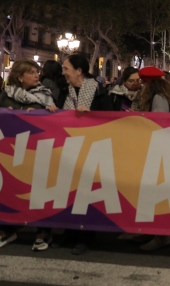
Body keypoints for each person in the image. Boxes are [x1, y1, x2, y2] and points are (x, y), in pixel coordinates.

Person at [0, 59, 57, 250]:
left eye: (37, 72)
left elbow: (57, 121)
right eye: (32, 72)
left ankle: (43, 231)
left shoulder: (46, 95)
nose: (37, 75)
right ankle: (7, 229)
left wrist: (45, 113)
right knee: (9, 190)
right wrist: (3, 112)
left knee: (39, 191)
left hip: (37, 152)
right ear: (19, 77)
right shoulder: (6, 94)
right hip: (10, 151)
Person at [60, 54, 112, 255]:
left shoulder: (98, 91)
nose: (63, 72)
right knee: (69, 192)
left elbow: (108, 117)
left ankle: (85, 236)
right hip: (69, 148)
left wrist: (90, 115)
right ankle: (69, 232)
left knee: (86, 195)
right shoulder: (66, 91)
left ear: (79, 71)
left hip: (92, 149)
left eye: (66, 68)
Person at [137, 66, 170, 252]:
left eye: (143, 83)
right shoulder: (162, 97)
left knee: (158, 193)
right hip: (163, 148)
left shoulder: (158, 99)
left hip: (159, 149)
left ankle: (162, 235)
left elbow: (158, 124)